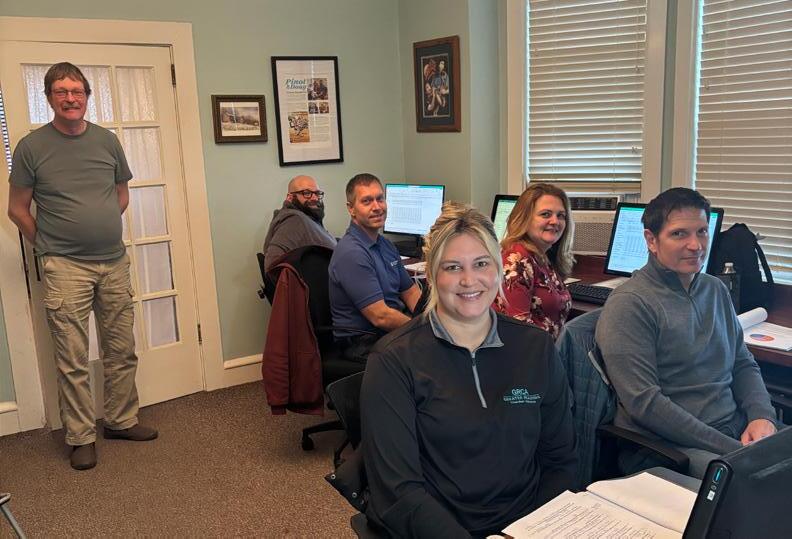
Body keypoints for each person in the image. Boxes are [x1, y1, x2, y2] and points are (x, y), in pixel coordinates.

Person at [361, 202, 577, 537]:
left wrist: (535, 530)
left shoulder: (536, 347)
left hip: (527, 524)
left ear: (498, 268)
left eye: (481, 263)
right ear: (432, 275)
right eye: (452, 267)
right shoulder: (393, 361)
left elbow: (560, 459)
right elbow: (399, 492)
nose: (469, 280)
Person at [7, 62, 157, 471]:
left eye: (77, 91)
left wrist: (99, 224)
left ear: (87, 96)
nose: (70, 98)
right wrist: (49, 245)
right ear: (49, 98)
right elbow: (17, 209)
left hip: (114, 261)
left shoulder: (107, 141)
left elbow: (121, 194)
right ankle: (80, 437)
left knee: (121, 349)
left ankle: (121, 421)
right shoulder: (31, 147)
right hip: (65, 267)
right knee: (72, 358)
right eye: (61, 91)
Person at [595, 187, 777, 479]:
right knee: (762, 486)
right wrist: (733, 449)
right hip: (668, 446)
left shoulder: (715, 290)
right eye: (679, 234)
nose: (696, 245)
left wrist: (761, 416)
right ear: (651, 240)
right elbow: (645, 404)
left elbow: (742, 363)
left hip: (733, 429)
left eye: (702, 232)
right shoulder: (630, 304)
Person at [328, 173, 421, 363]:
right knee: (433, 356)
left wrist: (431, 318)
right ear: (351, 209)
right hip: (363, 341)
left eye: (380, 199)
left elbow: (410, 292)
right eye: (367, 201)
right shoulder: (352, 253)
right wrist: (422, 329)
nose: (377, 207)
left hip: (389, 330)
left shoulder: (385, 245)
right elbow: (380, 317)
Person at [494, 183, 574, 338]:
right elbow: (518, 330)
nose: (555, 221)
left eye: (561, 216)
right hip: (528, 351)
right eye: (545, 214)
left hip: (548, 347)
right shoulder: (517, 261)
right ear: (525, 218)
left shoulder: (541, 256)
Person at [262, 174, 337, 271]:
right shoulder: (293, 220)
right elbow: (271, 265)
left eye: (317, 193)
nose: (314, 198)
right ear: (290, 197)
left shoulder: (306, 216)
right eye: (306, 193)